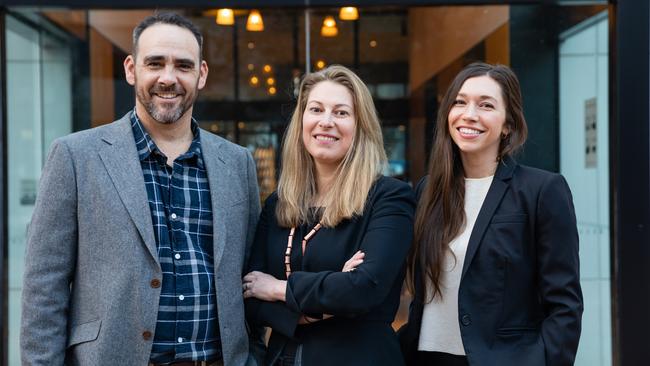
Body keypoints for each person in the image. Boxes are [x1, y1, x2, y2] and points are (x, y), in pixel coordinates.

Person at [20, 13, 260, 366]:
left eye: (182, 65)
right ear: (131, 69)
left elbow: (249, 274)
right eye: (155, 63)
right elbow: (44, 287)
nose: (168, 78)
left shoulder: (237, 163)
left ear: (201, 74)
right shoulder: (75, 156)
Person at [399, 62, 583, 366]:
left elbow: (565, 304)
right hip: (427, 357)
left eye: (486, 105)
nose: (469, 114)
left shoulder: (541, 190)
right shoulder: (428, 191)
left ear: (508, 123)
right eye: (460, 102)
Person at [242, 65, 415, 366]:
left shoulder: (389, 198)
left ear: (361, 126)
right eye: (316, 109)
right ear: (302, 121)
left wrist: (278, 288)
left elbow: (364, 289)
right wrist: (331, 295)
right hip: (282, 358)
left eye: (341, 113)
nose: (326, 122)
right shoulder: (278, 204)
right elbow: (250, 296)